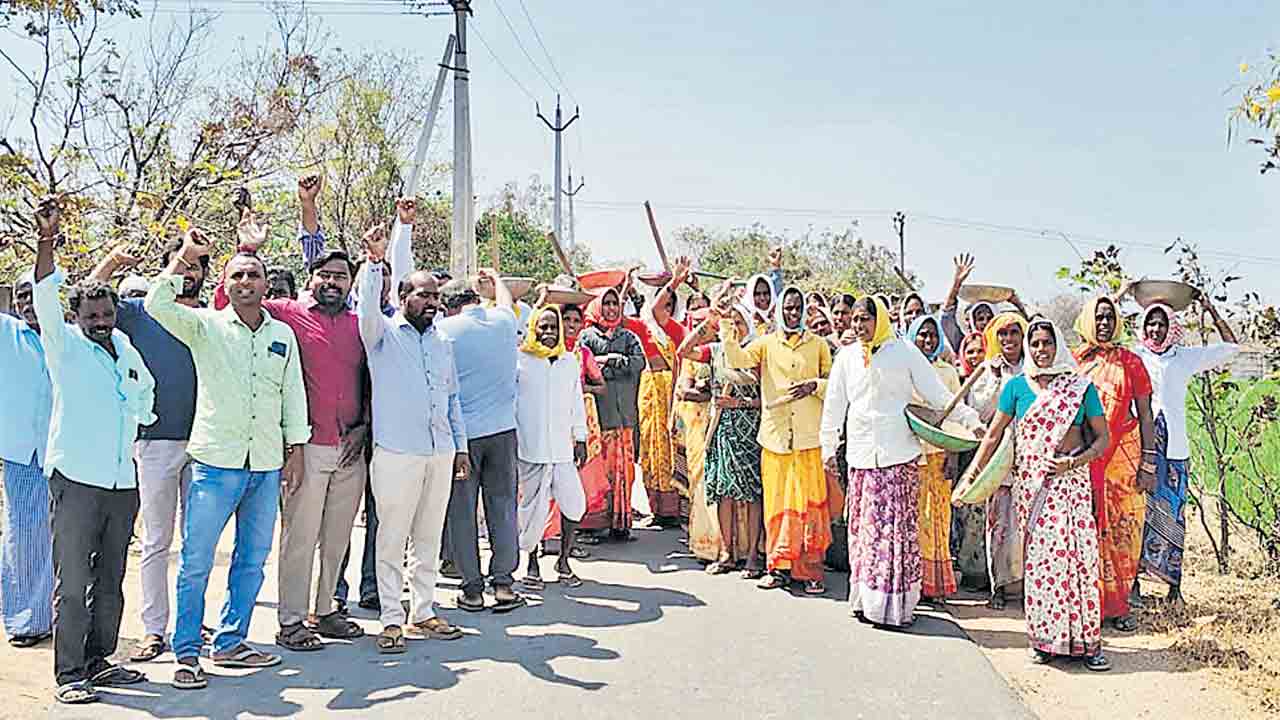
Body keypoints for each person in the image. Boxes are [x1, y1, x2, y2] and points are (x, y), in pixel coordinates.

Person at [146, 230, 310, 690]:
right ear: (225, 283)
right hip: (215, 463)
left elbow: (292, 394)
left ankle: (231, 641)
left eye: (253, 275)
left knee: (253, 558)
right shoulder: (205, 325)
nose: (245, 281)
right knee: (196, 561)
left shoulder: (282, 335)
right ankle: (186, 653)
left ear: (265, 284)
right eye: (236, 275)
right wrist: (185, 255)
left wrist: (294, 449)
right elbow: (157, 303)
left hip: (265, 464)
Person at [223, 206, 370, 650]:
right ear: (312, 280)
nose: (332, 282)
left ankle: (325, 610)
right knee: (299, 538)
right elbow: (232, 299)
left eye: (341, 276)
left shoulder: (360, 323)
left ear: (350, 282)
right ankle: (290, 621)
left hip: (352, 447)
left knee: (338, 538)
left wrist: (365, 426)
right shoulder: (287, 313)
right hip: (307, 447)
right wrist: (247, 249)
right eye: (324, 275)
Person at [31, 199, 156, 704]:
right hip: (76, 478)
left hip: (122, 481)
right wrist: (46, 241)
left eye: (107, 313)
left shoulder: (124, 343)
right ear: (76, 317)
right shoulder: (62, 345)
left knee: (110, 578)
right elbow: (44, 294)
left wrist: (135, 407)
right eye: (92, 315)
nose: (101, 320)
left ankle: (102, 660)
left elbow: (146, 391)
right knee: (74, 578)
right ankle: (70, 673)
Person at [958, 318, 1112, 671]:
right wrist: (972, 476)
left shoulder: (1080, 388)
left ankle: (1087, 643)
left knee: (1077, 560)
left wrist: (1075, 462)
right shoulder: (1016, 388)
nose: (1041, 350)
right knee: (1042, 564)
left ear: (1058, 345)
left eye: (1047, 343)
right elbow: (994, 435)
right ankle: (1045, 639)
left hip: (1070, 486)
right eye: (1036, 344)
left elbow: (1102, 438)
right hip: (1032, 489)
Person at [821, 299, 979, 627]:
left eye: (866, 319)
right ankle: (866, 600)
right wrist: (828, 447)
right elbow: (835, 406)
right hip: (862, 458)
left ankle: (895, 607)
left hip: (899, 456)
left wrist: (969, 420)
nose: (859, 325)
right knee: (865, 533)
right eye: (855, 319)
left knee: (895, 534)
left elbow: (936, 394)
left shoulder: (904, 352)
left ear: (879, 320)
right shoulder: (847, 357)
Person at [89, 239, 205, 663]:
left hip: (205, 445)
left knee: (198, 542)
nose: (191, 272)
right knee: (158, 540)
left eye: (198, 265)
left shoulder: (210, 318)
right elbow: (89, 298)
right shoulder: (141, 312)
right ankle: (155, 630)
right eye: (184, 264)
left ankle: (193, 624)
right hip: (155, 445)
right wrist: (110, 262)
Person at [356, 229, 468, 653]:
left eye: (436, 296)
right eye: (422, 295)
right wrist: (373, 262)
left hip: (438, 452)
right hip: (396, 453)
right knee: (392, 536)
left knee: (428, 535)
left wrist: (459, 447)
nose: (432, 302)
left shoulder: (442, 342)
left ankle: (423, 610)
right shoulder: (382, 335)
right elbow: (366, 309)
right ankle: (390, 618)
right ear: (403, 295)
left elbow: (452, 398)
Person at [720, 285, 832, 594]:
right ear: (780, 309)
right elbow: (737, 360)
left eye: (797, 309)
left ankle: (810, 570)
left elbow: (835, 386)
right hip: (776, 438)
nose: (793, 313)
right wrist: (727, 325)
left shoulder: (818, 344)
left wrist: (815, 386)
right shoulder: (766, 343)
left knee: (809, 508)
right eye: (788, 308)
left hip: (809, 439)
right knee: (778, 506)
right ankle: (779, 568)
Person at [1135, 299, 1239, 604]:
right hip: (1143, 446)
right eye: (1150, 323)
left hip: (1175, 449)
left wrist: (1210, 308)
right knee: (1138, 513)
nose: (1156, 329)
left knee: (1174, 515)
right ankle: (1133, 585)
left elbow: (1231, 346)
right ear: (1143, 327)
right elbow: (1097, 334)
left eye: (1162, 323)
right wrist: (1123, 294)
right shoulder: (1135, 357)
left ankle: (1173, 588)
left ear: (1171, 327)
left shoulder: (1184, 358)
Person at [436, 267, 524, 615]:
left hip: (462, 438)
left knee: (462, 510)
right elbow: (506, 302)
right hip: (503, 431)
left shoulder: (444, 330)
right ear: (476, 300)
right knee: (502, 507)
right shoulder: (502, 322)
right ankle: (503, 584)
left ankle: (471, 589)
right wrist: (497, 280)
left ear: (446, 306)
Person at [1074, 296, 1156, 631]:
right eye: (1099, 317)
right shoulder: (1076, 362)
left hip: (1124, 457)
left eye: (1109, 317)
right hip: (1086, 457)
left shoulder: (1131, 363)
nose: (1105, 323)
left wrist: (1148, 463)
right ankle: (1089, 604)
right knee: (1088, 530)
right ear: (1088, 322)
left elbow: (1146, 413)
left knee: (1125, 532)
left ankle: (1119, 606)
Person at [679, 297, 764, 577]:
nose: (735, 329)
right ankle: (727, 553)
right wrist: (710, 320)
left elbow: (766, 399)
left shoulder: (755, 352)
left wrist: (739, 405)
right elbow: (684, 350)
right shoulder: (715, 351)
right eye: (731, 324)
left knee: (751, 493)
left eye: (739, 323)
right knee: (723, 490)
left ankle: (752, 555)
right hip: (719, 430)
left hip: (749, 430)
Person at [514, 307, 588, 590]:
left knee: (574, 504)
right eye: (542, 327)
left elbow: (576, 401)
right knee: (532, 509)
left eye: (552, 328)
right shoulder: (521, 360)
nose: (548, 333)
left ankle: (564, 561)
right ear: (533, 328)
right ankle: (532, 565)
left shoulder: (569, 361)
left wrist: (579, 437)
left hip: (561, 449)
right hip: (530, 448)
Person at [0, 270, 54, 651]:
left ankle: (53, 614)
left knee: (62, 536)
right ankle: (26, 620)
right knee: (24, 533)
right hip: (21, 449)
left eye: (36, 293)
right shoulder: (5, 333)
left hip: (67, 451)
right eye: (22, 294)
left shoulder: (68, 334)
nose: (28, 301)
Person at [967, 311, 1029, 609]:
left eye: (1014, 333)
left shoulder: (1035, 367)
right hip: (999, 458)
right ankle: (1000, 588)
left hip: (1031, 456)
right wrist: (992, 379)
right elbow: (978, 412)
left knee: (1028, 524)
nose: (1008, 339)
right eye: (1002, 334)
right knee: (999, 524)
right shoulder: (987, 370)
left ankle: (1030, 588)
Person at [577, 288, 646, 539]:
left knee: (624, 472)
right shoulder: (587, 336)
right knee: (598, 473)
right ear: (597, 306)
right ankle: (593, 525)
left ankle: (621, 523)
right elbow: (583, 365)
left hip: (624, 416)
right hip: (599, 417)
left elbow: (640, 363)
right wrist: (603, 359)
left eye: (614, 304)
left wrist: (618, 361)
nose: (611, 309)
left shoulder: (628, 336)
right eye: (605, 304)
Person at [905, 314, 964, 602]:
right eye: (922, 335)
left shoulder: (948, 372)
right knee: (913, 519)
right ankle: (912, 582)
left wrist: (952, 453)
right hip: (910, 453)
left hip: (939, 454)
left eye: (932, 335)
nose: (927, 340)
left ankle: (935, 585)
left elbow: (956, 415)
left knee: (938, 518)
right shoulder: (904, 368)